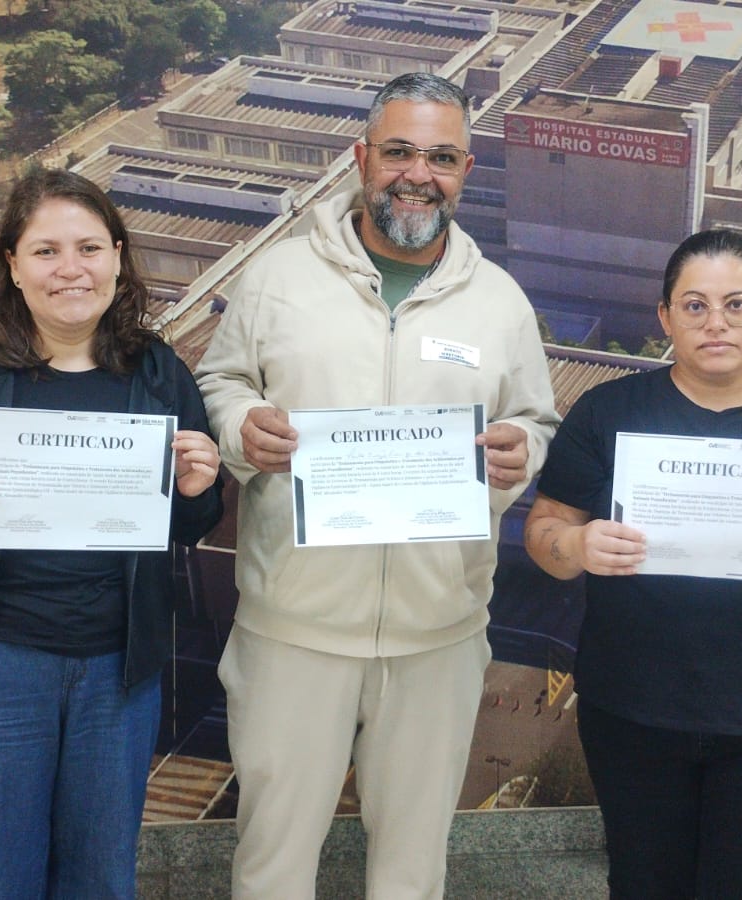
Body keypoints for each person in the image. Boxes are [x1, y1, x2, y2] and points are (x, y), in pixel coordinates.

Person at [194, 72, 560, 898]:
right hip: (293, 631)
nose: (417, 174)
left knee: (411, 871)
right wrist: (241, 428)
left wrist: (519, 455)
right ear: (361, 157)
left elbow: (533, 422)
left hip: (439, 635)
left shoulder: (500, 304)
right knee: (272, 865)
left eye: (441, 157)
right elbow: (218, 385)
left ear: (465, 171)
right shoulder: (277, 277)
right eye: (398, 151)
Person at [0, 168, 223, 900]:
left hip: (116, 669)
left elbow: (192, 522)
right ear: (12, 266)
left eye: (90, 247)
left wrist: (200, 485)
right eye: (46, 251)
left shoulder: (157, 372)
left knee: (100, 877)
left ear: (119, 257)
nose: (71, 269)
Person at [523, 229, 742, 898]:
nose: (716, 323)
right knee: (644, 883)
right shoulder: (608, 413)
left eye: (736, 304)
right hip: (633, 712)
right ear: (665, 318)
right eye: (694, 306)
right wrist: (574, 547)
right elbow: (545, 532)